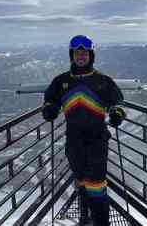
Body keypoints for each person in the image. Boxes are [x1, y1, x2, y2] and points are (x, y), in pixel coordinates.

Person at [42, 35, 126, 226]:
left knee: (96, 183)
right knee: (80, 180)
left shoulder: (103, 81)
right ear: (72, 55)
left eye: (84, 52)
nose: (81, 55)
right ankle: (84, 217)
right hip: (74, 140)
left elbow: (117, 102)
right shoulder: (60, 81)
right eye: (77, 52)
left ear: (91, 55)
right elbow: (50, 99)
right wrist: (50, 109)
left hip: (97, 139)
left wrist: (117, 113)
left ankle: (101, 223)